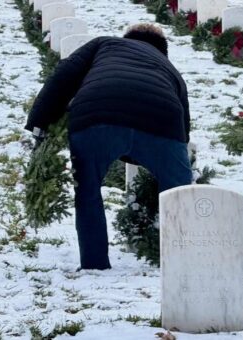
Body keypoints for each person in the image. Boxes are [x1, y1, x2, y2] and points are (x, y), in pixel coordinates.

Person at [25, 24, 193, 270]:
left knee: (88, 190)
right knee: (178, 192)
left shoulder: (105, 43)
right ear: (162, 50)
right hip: (161, 120)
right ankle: (183, 258)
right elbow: (184, 124)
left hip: (97, 116)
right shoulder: (169, 68)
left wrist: (39, 123)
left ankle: (95, 264)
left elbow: (63, 76)